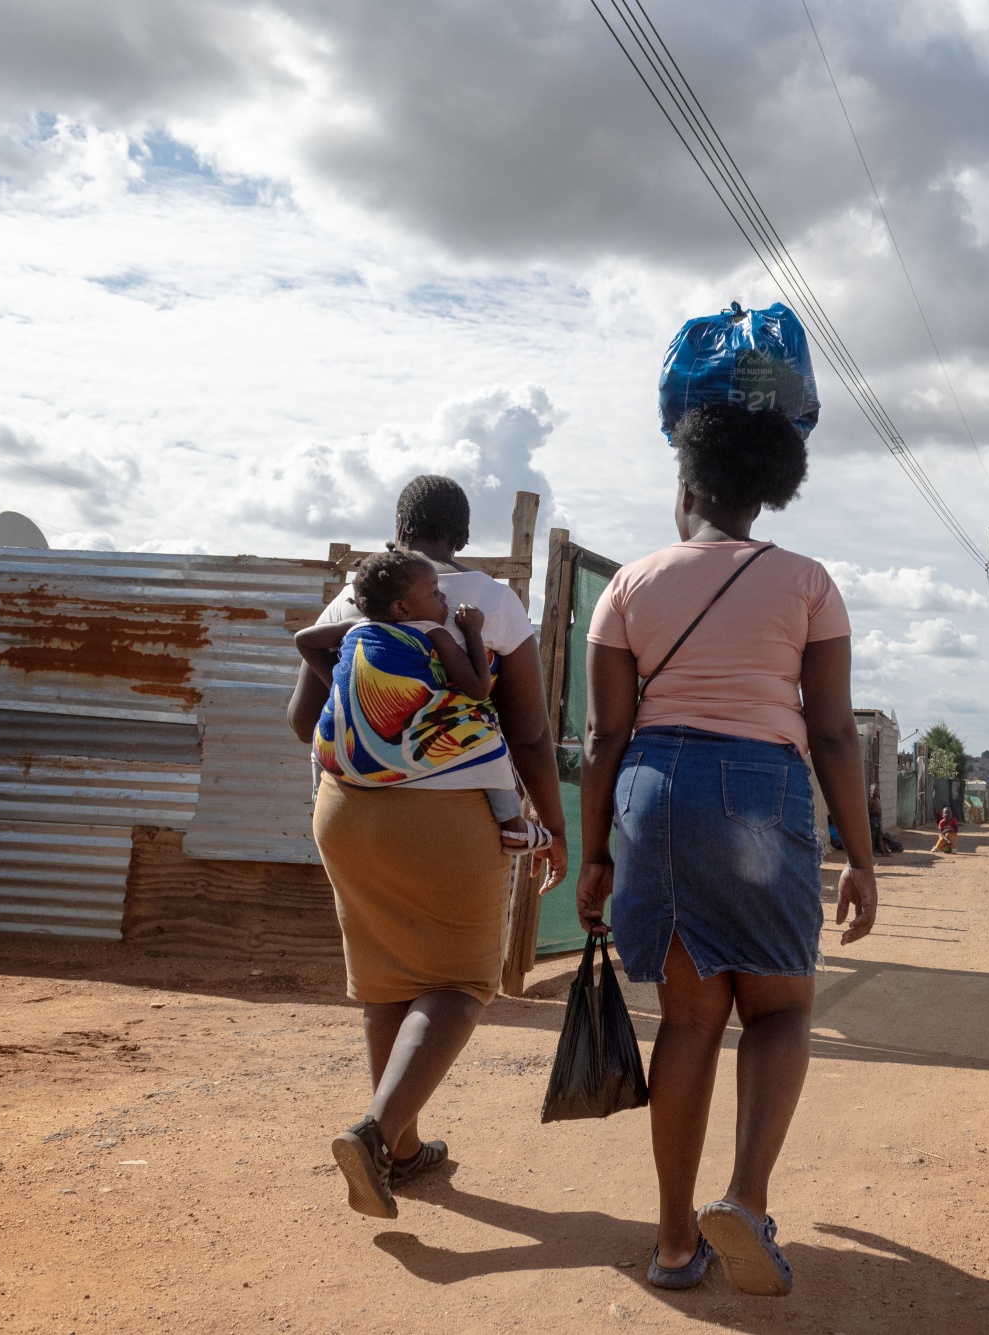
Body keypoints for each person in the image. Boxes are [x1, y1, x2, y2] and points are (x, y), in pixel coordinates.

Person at [576, 402, 877, 1297]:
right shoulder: (809, 583)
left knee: (690, 1017)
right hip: (760, 792)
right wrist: (858, 856)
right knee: (779, 1008)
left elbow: (601, 737)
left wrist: (595, 853)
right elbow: (832, 734)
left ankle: (673, 1245)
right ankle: (745, 1197)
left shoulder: (627, 586)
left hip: (654, 795)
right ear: (768, 496)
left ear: (688, 487)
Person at [285, 475, 569, 1220]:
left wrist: (377, 739)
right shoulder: (490, 603)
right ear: (462, 537)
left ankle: (403, 1152)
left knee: (386, 979)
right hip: (450, 815)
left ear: (398, 528)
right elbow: (531, 729)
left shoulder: (356, 601)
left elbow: (298, 717)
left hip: (344, 812)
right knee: (461, 980)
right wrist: (554, 823)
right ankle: (377, 1134)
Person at [294, 547, 544, 851]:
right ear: (402, 608)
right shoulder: (434, 633)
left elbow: (303, 640)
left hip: (336, 759)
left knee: (328, 732)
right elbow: (478, 688)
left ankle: (320, 799)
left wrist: (337, 683)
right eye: (435, 593)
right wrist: (473, 631)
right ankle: (513, 825)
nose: (444, 600)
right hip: (390, 759)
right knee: (486, 738)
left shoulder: (354, 628)